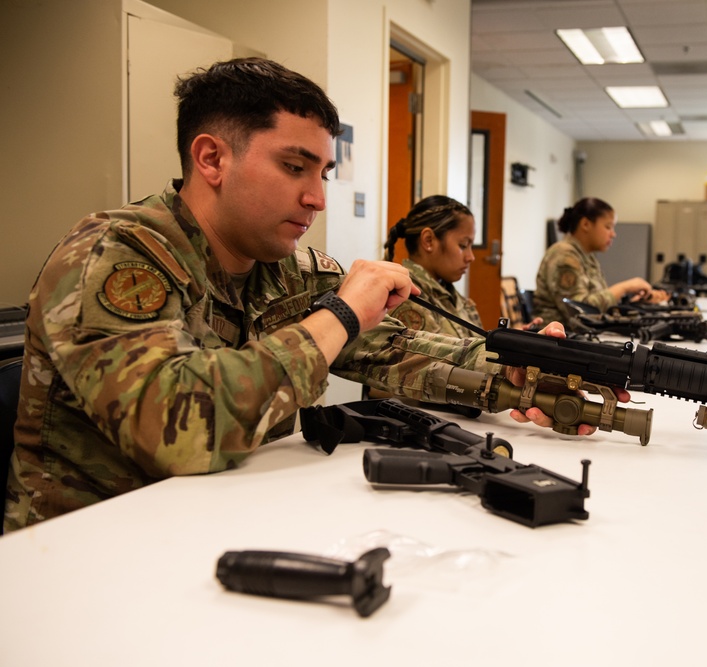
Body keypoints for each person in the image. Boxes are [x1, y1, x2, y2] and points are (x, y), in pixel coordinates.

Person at [2, 58, 594, 533]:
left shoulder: (284, 268)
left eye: (324, 174)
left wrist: (524, 368)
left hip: (219, 520)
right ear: (211, 158)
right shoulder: (118, 253)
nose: (317, 198)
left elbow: (397, 350)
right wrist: (340, 312)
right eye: (294, 167)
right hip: (88, 551)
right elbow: (175, 428)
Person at [383, 195, 541, 337]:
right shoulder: (407, 297)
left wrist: (510, 343)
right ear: (429, 240)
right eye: (463, 245)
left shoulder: (446, 293)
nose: (471, 257)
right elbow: (441, 364)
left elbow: (472, 347)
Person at [532, 197, 668, 326]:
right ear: (586, 224)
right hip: (559, 339)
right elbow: (578, 310)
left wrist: (633, 301)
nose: (613, 234)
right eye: (608, 227)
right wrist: (624, 287)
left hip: (579, 335)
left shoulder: (586, 256)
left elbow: (597, 302)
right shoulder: (564, 255)